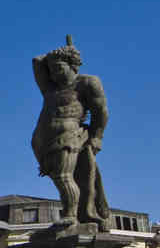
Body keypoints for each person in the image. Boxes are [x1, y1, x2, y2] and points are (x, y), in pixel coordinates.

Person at [30, 35, 110, 231]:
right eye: (52, 70)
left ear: (73, 66)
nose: (55, 74)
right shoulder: (50, 89)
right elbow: (36, 61)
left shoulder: (86, 83)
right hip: (43, 140)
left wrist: (97, 137)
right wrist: (58, 56)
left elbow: (101, 111)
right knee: (62, 178)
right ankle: (72, 212)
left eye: (59, 68)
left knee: (64, 176)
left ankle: (70, 216)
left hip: (70, 137)